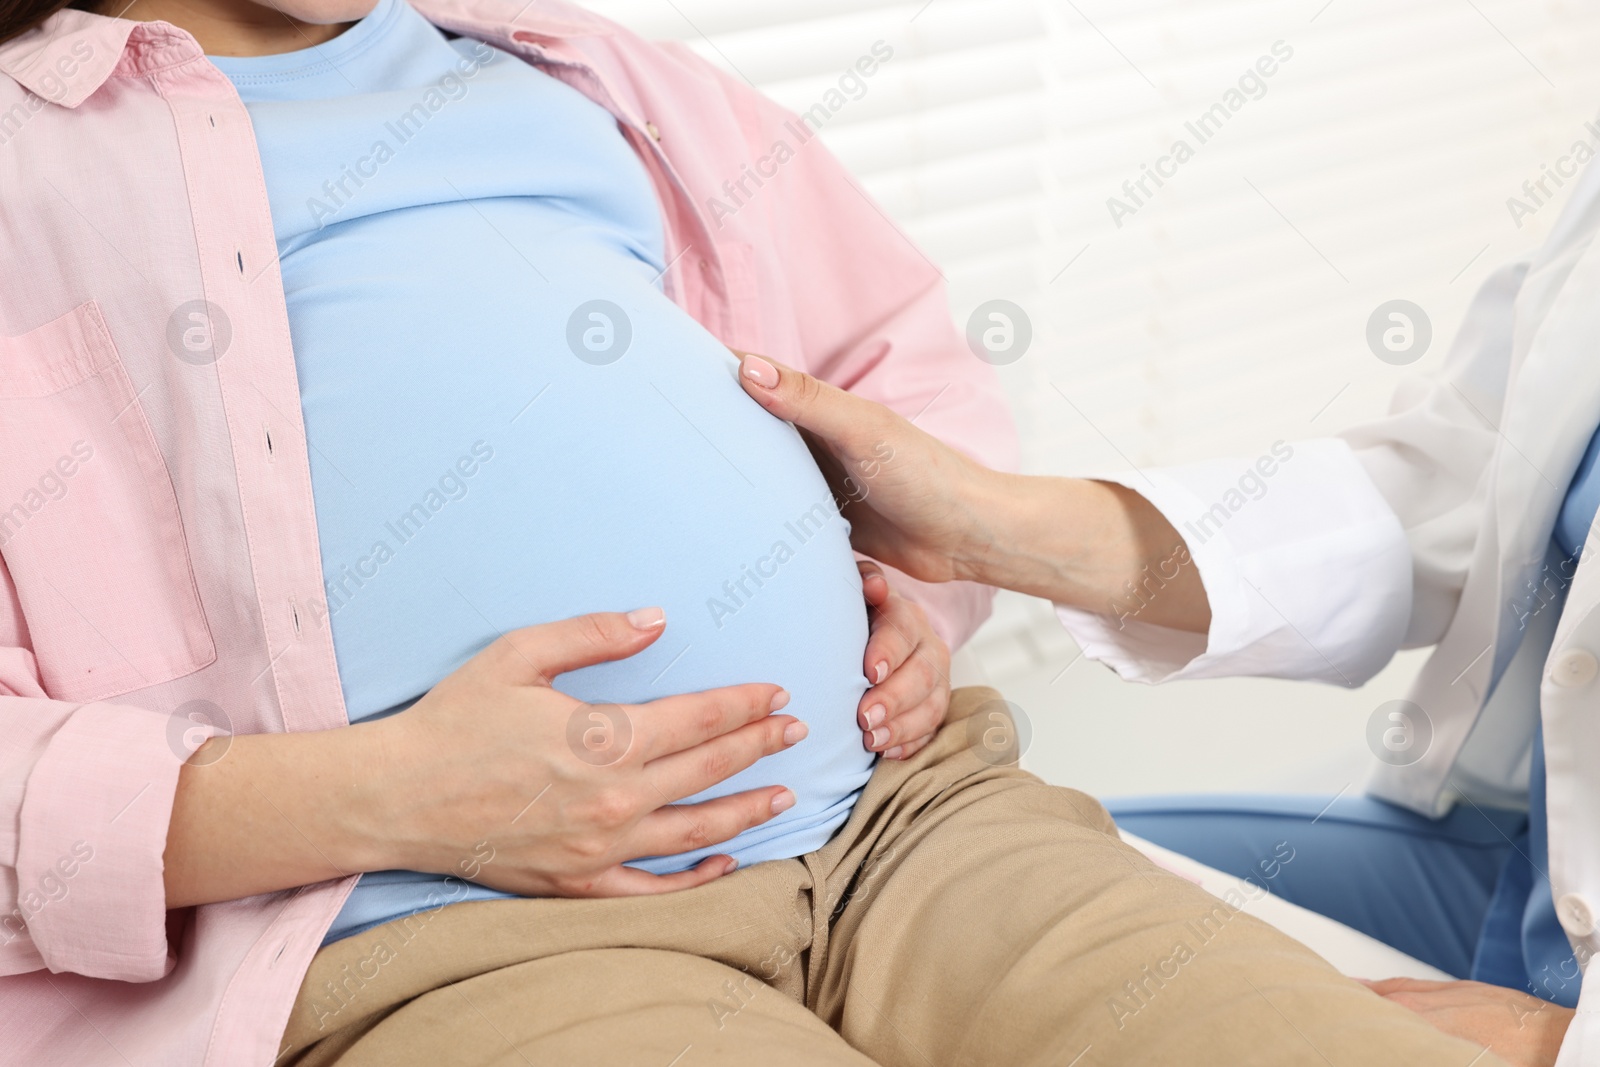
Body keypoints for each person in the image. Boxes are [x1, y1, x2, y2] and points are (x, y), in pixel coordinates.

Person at [0, 0, 1520, 1063]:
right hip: (458, 930)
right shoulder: (31, 172)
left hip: (900, 822)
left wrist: (909, 617)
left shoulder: (588, 85)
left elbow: (894, 375)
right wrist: (374, 798)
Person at [729, 149, 1600, 1067]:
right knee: (1035, 890)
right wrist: (980, 522)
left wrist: (1562, 1040)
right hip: (1526, 868)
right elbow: (1451, 492)